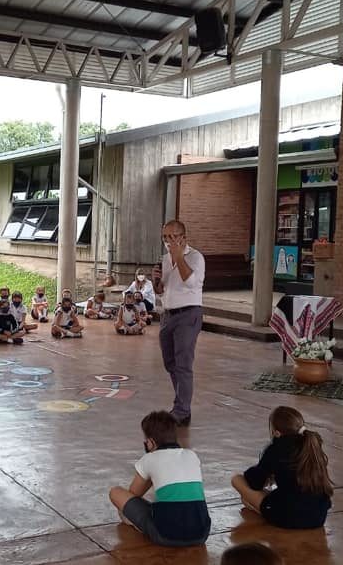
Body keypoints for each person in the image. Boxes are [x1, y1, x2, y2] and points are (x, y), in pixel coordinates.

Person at [109, 411, 210, 547]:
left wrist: (150, 476)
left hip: (165, 535)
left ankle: (136, 524)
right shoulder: (191, 455)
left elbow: (134, 494)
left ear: (150, 442)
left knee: (116, 492)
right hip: (201, 534)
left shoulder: (149, 458)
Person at [231, 406, 333, 529]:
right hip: (318, 517)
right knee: (287, 495)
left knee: (237, 480)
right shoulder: (312, 447)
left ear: (277, 432)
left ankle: (265, 512)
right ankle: (263, 508)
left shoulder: (276, 448)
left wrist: (260, 471)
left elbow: (255, 483)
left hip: (290, 517)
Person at [152, 220, 205, 427]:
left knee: (183, 363)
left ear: (183, 236)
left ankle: (182, 410)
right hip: (168, 314)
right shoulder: (165, 259)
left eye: (172, 236)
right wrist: (156, 281)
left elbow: (190, 282)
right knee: (170, 362)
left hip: (188, 314)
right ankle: (182, 404)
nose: (168, 241)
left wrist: (179, 257)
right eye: (165, 237)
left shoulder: (196, 257)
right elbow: (162, 290)